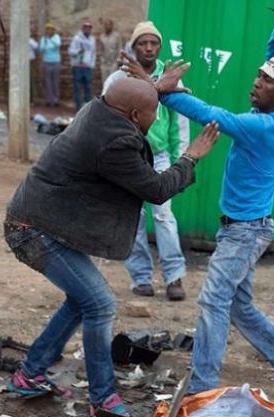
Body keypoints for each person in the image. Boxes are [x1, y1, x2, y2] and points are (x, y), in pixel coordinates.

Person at [126, 12, 274, 398]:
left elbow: (213, 116)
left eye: (267, 82)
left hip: (245, 232)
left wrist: (165, 92)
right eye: (259, 75)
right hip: (241, 227)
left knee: (214, 299)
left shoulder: (262, 127)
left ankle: (201, 391)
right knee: (239, 306)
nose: (257, 82)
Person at [3, 78, 220, 416]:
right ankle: (102, 399)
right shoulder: (114, 141)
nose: (156, 119)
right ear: (134, 115)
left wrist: (152, 89)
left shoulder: (100, 107)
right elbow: (157, 189)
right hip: (34, 230)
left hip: (42, 219)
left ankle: (29, 374)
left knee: (83, 301)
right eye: (153, 113)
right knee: (100, 303)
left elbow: (121, 94)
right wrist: (191, 156)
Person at [103, 21, 190, 301]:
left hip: (161, 157)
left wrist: (182, 162)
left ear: (159, 47)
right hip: (129, 159)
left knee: (163, 216)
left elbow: (181, 123)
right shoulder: (118, 80)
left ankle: (174, 277)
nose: (149, 48)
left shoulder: (171, 79)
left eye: (154, 43)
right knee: (134, 218)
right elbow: (103, 119)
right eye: (143, 43)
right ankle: (141, 278)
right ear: (134, 46)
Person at [68, 20, 96, 110]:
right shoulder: (77, 39)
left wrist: (92, 64)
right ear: (83, 29)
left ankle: (87, 107)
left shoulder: (92, 40)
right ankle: (78, 107)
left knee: (88, 87)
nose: (87, 30)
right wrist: (77, 51)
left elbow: (93, 53)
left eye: (89, 28)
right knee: (77, 87)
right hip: (77, 66)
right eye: (85, 28)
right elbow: (70, 51)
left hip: (87, 66)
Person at [39, 23, 61, 106]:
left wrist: (49, 41)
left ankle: (56, 99)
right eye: (47, 29)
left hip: (55, 61)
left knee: (55, 81)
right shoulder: (43, 38)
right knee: (47, 81)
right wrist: (48, 45)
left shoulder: (56, 37)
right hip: (46, 61)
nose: (49, 31)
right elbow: (41, 48)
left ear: (53, 30)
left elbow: (57, 45)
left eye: (51, 29)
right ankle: (49, 99)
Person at [99, 19, 122, 83]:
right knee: (104, 81)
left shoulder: (117, 36)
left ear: (112, 26)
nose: (107, 26)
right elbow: (101, 49)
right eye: (106, 25)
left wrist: (118, 61)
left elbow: (119, 49)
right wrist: (101, 60)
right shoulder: (102, 37)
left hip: (113, 63)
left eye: (109, 25)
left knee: (112, 81)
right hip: (104, 63)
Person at [28, 34, 39, 103]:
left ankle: (31, 99)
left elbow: (36, 46)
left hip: (30, 61)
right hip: (21, 61)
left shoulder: (30, 40)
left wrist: (28, 40)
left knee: (31, 80)